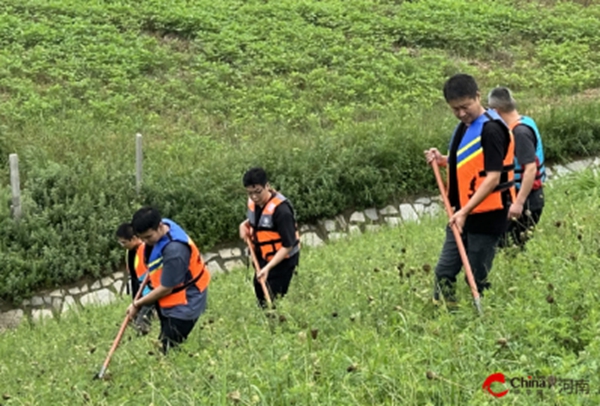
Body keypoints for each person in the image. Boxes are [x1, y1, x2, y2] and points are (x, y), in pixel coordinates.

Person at [424, 73, 516, 307]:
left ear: (477, 96)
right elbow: (467, 162)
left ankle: (486, 317)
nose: (461, 113)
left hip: (486, 216)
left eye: (465, 106)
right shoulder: (464, 127)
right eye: (455, 109)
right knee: (444, 271)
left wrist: (465, 211)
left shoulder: (492, 130)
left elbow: (493, 177)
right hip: (460, 214)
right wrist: (442, 159)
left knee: (476, 276)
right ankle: (447, 316)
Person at [126, 207, 210, 354]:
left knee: (167, 349)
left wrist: (137, 304)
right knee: (165, 340)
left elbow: (166, 288)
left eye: (148, 237)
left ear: (159, 227)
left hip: (185, 303)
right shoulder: (163, 226)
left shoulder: (175, 251)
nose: (145, 242)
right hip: (168, 301)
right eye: (142, 238)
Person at [488, 87, 546, 249]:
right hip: (521, 197)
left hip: (527, 201)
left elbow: (530, 169)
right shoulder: (525, 121)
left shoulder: (520, 133)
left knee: (508, 247)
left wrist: (518, 203)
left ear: (496, 111)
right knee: (508, 247)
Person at [238, 167, 300, 308]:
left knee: (274, 297)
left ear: (267, 186)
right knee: (260, 291)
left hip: (282, 260)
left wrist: (268, 268)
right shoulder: (255, 203)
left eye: (258, 192)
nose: (254, 197)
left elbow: (288, 245)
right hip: (262, 257)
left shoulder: (282, 211)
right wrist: (244, 225)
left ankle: (278, 326)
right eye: (250, 193)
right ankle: (267, 322)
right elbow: (260, 223)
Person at [115, 222, 153, 334]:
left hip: (150, 293)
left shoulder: (146, 250)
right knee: (131, 319)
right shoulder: (130, 252)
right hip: (139, 294)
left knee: (141, 324)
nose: (122, 246)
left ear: (134, 238)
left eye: (124, 242)